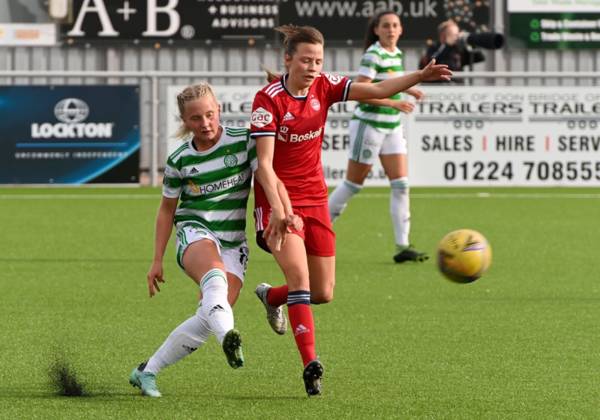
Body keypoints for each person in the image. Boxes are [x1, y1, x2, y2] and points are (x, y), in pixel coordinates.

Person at [250, 25, 451, 396]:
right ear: (288, 59)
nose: (312, 67)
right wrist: (279, 211)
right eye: (306, 60)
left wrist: (419, 76)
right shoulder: (268, 99)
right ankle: (310, 365)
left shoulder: (325, 86)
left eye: (318, 60)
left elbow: (374, 90)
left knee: (323, 292)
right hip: (277, 200)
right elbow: (264, 166)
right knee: (300, 278)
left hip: (314, 198)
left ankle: (270, 296)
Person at [128, 83, 252, 398]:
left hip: (234, 241)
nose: (205, 123)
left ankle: (147, 371)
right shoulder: (179, 159)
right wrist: (156, 259)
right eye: (196, 118)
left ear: (219, 110)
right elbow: (166, 210)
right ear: (185, 121)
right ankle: (230, 338)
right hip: (195, 231)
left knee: (210, 312)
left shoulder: (244, 142)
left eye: (209, 114)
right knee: (215, 284)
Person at [328, 10, 428, 263]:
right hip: (369, 125)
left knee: (401, 184)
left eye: (395, 25)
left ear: (401, 29)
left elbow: (390, 81)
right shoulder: (374, 54)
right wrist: (393, 104)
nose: (391, 29)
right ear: (377, 30)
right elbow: (361, 91)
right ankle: (314, 231)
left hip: (391, 127)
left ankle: (402, 245)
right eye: (386, 26)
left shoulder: (395, 53)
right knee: (353, 184)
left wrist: (411, 89)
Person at [419, 19, 484, 82]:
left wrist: (470, 41)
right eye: (453, 34)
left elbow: (480, 57)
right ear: (443, 35)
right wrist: (447, 45)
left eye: (457, 34)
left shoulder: (458, 49)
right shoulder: (434, 47)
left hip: (457, 87)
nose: (456, 37)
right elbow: (432, 61)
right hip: (438, 86)